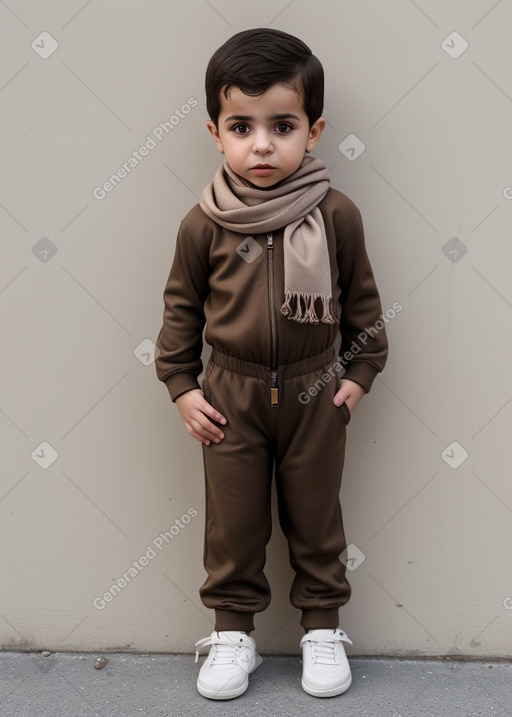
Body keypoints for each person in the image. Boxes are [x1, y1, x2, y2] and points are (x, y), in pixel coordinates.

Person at [155, 27, 388, 700]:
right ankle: (233, 633)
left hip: (318, 391)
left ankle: (321, 627)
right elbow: (180, 312)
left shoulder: (337, 216)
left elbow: (366, 309)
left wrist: (357, 377)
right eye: (241, 126)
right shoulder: (205, 223)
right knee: (233, 519)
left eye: (281, 125)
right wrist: (180, 385)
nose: (262, 144)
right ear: (215, 131)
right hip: (231, 391)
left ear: (313, 132)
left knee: (317, 516)